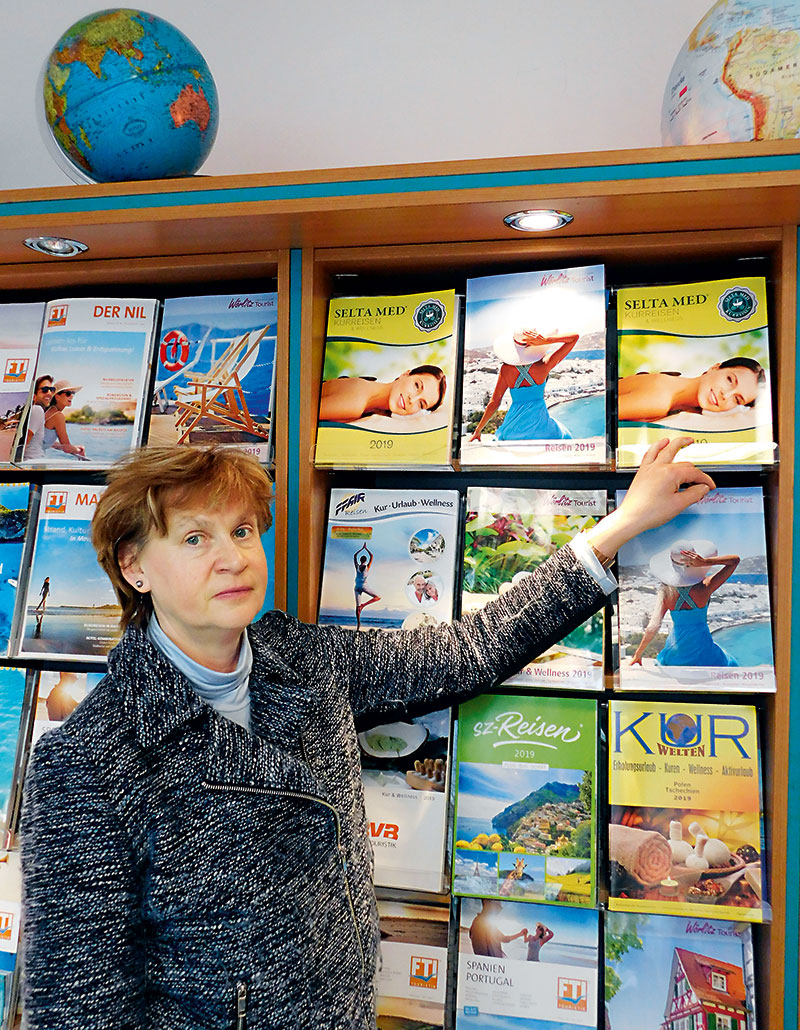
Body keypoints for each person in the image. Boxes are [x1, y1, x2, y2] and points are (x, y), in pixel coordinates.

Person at [20, 438, 713, 1029]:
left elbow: (466, 651)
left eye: (241, 531)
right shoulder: (88, 759)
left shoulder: (307, 661)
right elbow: (79, 1005)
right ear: (134, 566)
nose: (232, 556)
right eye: (195, 537)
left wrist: (622, 524)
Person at [629, 539, 740, 668]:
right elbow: (735, 561)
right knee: (730, 663)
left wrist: (637, 655)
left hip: (676, 652)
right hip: (703, 650)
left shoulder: (666, 593)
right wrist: (705, 562)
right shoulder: (705, 587)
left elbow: (652, 627)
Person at [469, 330, 579, 443]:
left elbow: (494, 403)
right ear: (533, 345)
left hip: (513, 428)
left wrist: (478, 430)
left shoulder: (506, 369)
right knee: (564, 434)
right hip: (541, 428)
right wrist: (545, 340)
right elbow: (574, 338)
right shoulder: (543, 365)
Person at [618, 357, 765, 422]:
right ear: (714, 368)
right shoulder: (659, 399)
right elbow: (597, 415)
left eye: (737, 399)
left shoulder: (687, 411)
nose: (725, 395)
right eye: (729, 380)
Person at [319, 364, 446, 422]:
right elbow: (301, 416)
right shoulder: (357, 401)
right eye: (417, 386)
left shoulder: (376, 413)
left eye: (421, 404)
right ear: (405, 374)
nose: (412, 400)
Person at [44, 379, 87, 459]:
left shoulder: (49, 411)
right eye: (68, 393)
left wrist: (73, 447)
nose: (71, 396)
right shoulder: (57, 415)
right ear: (57, 397)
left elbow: (47, 442)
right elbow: (66, 448)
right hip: (34, 458)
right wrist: (78, 450)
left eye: (73, 393)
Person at [25, 375, 55, 460]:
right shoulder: (37, 410)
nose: (49, 393)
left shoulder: (32, 411)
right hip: (33, 464)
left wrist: (62, 447)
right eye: (45, 390)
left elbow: (35, 440)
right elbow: (25, 442)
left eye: (52, 390)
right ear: (34, 396)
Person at [353, 545, 380, 629]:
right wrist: (366, 548)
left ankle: (358, 625)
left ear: (360, 560)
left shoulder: (357, 566)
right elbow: (372, 556)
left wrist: (361, 549)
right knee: (377, 597)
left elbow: (354, 556)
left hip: (357, 586)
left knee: (357, 607)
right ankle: (363, 605)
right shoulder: (367, 567)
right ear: (366, 560)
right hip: (364, 586)